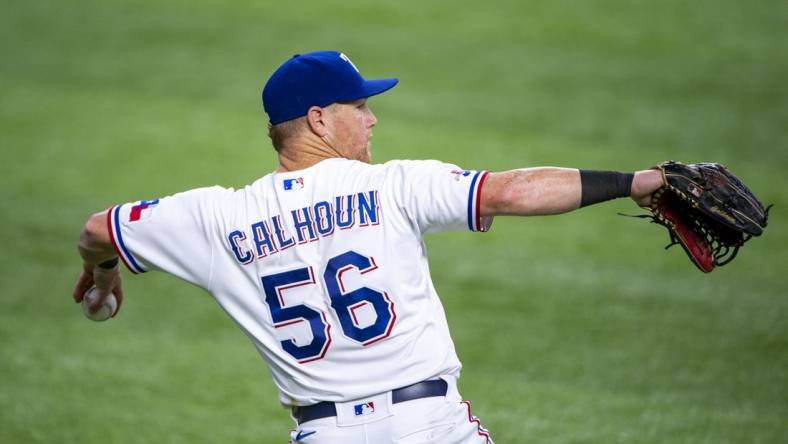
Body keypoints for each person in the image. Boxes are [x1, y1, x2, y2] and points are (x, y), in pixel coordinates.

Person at [72, 50, 664, 443]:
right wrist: (631, 183)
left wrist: (103, 275)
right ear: (320, 120)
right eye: (360, 106)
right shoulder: (392, 186)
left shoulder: (215, 217)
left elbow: (99, 228)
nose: (373, 119)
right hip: (431, 426)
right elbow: (510, 191)